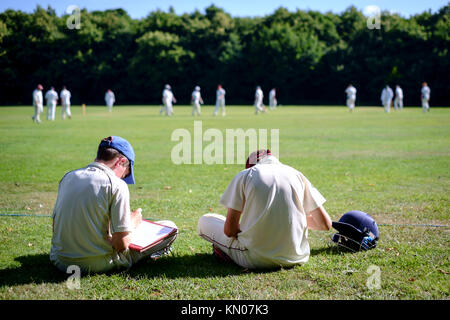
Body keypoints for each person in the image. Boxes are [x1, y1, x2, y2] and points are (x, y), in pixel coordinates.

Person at [50, 136, 178, 273]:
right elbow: (121, 245)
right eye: (125, 173)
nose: (123, 177)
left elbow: (54, 226)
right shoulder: (116, 185)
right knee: (170, 227)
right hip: (95, 264)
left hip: (59, 260)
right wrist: (132, 223)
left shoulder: (68, 176)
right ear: (121, 162)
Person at [197, 149, 333, 269]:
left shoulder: (246, 174)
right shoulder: (297, 174)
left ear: (251, 165)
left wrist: (251, 227)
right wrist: (290, 222)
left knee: (205, 220)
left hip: (254, 259)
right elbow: (325, 224)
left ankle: (225, 253)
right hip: (298, 257)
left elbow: (230, 230)